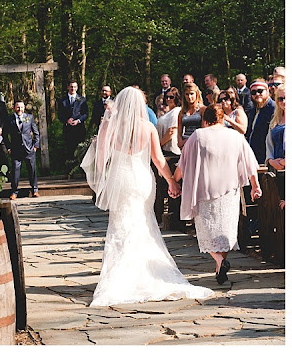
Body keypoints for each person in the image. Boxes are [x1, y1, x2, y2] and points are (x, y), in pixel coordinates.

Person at [80, 87, 213, 306]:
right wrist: (172, 182)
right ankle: (149, 272)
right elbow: (159, 160)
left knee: (120, 226)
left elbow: (101, 158)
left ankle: (121, 278)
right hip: (142, 180)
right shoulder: (148, 127)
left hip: (121, 179)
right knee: (144, 224)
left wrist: (106, 176)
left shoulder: (109, 126)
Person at [175, 105, 262, 284]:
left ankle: (220, 261)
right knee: (224, 230)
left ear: (205, 120)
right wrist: (255, 186)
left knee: (207, 231)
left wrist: (174, 181)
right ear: (223, 118)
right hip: (229, 191)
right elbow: (249, 163)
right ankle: (219, 267)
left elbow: (183, 163)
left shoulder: (197, 136)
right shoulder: (236, 136)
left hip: (204, 189)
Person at [4, 100, 40, 199]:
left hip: (29, 149)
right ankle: (14, 192)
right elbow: (4, 134)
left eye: (22, 107)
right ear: (14, 108)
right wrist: (9, 147)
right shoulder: (9, 119)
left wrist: (36, 146)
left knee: (32, 170)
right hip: (16, 150)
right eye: (18, 107)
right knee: (15, 171)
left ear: (24, 108)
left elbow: (36, 132)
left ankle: (35, 190)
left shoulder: (30, 117)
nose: (20, 109)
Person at [58, 81, 88, 167]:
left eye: (74, 87)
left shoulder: (82, 99)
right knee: (69, 149)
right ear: (68, 87)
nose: (73, 89)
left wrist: (78, 120)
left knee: (81, 149)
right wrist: (66, 120)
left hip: (79, 128)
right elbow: (60, 115)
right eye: (71, 87)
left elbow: (85, 114)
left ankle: (81, 169)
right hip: (68, 129)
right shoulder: (62, 100)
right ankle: (69, 170)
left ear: (77, 88)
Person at [246, 79, 276, 164]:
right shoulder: (253, 110)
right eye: (253, 92)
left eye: (260, 91)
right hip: (254, 156)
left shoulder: (274, 108)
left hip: (268, 157)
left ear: (267, 91)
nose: (257, 94)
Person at [265, 85, 285, 209]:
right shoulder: (275, 120)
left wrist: (285, 161)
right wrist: (271, 160)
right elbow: (269, 144)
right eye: (280, 98)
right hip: (277, 171)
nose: (284, 101)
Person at [178, 83, 205, 149]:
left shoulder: (202, 109)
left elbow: (204, 130)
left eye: (191, 94)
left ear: (196, 94)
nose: (189, 97)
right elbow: (179, 132)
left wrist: (188, 140)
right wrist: (180, 142)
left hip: (198, 142)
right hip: (185, 145)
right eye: (187, 94)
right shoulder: (182, 112)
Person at [156, 87, 181, 155]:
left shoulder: (176, 111)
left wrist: (158, 145)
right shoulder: (169, 112)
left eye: (171, 97)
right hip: (165, 149)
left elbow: (171, 132)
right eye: (166, 97)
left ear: (176, 98)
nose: (168, 99)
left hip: (171, 151)